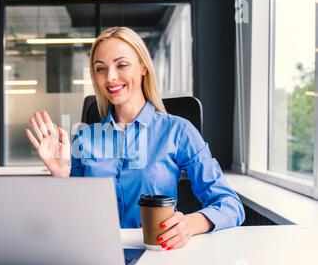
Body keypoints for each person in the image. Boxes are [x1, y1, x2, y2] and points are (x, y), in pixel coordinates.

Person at [25, 26, 245, 250]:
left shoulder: (178, 131)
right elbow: (71, 219)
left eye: (121, 65)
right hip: (97, 251)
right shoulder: (84, 138)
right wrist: (61, 176)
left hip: (154, 254)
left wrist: (189, 224)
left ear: (143, 67)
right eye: (100, 69)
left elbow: (230, 205)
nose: (110, 77)